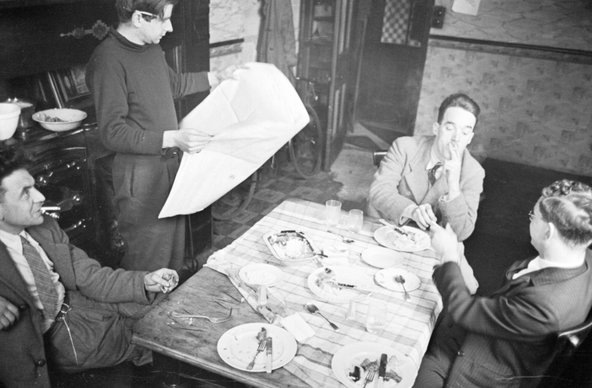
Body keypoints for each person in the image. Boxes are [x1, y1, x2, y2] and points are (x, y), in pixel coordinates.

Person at [0, 149, 179, 388]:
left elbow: (89, 276)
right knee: (156, 339)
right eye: (25, 193)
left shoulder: (44, 227)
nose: (40, 196)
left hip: (78, 304)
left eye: (34, 186)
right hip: (60, 339)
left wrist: (144, 281)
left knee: (170, 308)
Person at [414, 179, 592, 388]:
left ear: (549, 232)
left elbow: (462, 309)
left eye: (533, 215)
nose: (530, 220)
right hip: (487, 338)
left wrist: (449, 255)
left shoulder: (544, 306)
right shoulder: (584, 257)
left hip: (469, 370)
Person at [86, 0, 218, 271]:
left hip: (168, 166)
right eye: (164, 19)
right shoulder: (107, 60)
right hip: (140, 179)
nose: (169, 28)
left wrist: (217, 76)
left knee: (173, 258)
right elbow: (112, 133)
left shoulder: (152, 48)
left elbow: (174, 85)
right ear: (138, 19)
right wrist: (173, 138)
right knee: (148, 264)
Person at [368, 93, 484, 293]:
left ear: (470, 137)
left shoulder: (473, 171)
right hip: (389, 236)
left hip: (435, 252)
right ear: (436, 128)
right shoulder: (405, 146)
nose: (457, 139)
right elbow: (378, 191)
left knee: (445, 300)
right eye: (450, 128)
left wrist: (453, 185)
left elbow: (463, 231)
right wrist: (412, 210)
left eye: (465, 132)